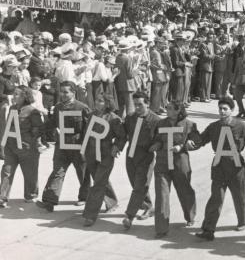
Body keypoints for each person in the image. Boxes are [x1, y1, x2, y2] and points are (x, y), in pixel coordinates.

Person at [196, 97, 245, 241]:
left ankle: (242, 221)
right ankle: (208, 230)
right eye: (220, 108)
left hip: (236, 166)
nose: (222, 111)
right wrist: (191, 142)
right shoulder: (213, 127)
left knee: (240, 195)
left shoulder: (241, 126)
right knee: (216, 198)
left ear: (232, 110)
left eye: (225, 109)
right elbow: (201, 140)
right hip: (218, 165)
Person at [37, 81, 92, 212]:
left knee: (83, 173)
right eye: (61, 92)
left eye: (66, 92)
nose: (63, 94)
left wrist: (86, 146)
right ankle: (50, 201)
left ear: (73, 92)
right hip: (62, 145)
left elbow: (88, 129)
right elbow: (52, 123)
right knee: (58, 172)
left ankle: (85, 197)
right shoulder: (58, 107)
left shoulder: (82, 108)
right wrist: (38, 130)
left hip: (78, 145)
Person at [149, 101, 201, 238]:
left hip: (180, 162)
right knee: (161, 195)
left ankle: (190, 216)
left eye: (170, 108)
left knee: (184, 190)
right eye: (166, 107)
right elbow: (157, 139)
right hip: (162, 162)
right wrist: (157, 144)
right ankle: (161, 228)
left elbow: (197, 140)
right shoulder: (160, 123)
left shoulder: (189, 124)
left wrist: (186, 145)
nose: (167, 110)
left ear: (178, 110)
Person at [81, 95, 125, 227]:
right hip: (91, 153)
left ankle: (90, 215)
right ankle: (112, 202)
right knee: (100, 180)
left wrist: (117, 147)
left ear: (107, 104)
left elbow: (122, 137)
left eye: (100, 101)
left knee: (98, 184)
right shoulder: (91, 115)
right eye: (96, 100)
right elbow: (86, 134)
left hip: (106, 154)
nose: (96, 103)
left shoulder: (114, 118)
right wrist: (83, 150)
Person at [0, 86, 45, 207]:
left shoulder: (32, 111)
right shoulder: (12, 108)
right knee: (6, 171)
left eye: (17, 94)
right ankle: (2, 197)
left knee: (30, 173)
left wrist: (31, 142)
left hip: (27, 148)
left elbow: (39, 129)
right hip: (11, 146)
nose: (14, 96)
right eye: (14, 94)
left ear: (25, 96)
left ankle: (31, 195)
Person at [122, 92, 161, 229]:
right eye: (135, 104)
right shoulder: (130, 118)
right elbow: (123, 134)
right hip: (131, 154)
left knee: (140, 186)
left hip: (146, 155)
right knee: (137, 185)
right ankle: (149, 207)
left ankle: (129, 216)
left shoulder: (156, 120)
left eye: (140, 104)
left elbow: (160, 138)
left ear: (147, 104)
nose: (137, 107)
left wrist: (157, 144)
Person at [195, 31, 215, 102]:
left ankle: (207, 96)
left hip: (210, 66)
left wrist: (213, 56)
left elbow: (212, 54)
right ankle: (203, 97)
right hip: (205, 65)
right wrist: (213, 56)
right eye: (209, 37)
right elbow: (204, 55)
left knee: (208, 83)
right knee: (204, 83)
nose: (210, 38)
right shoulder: (203, 44)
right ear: (207, 37)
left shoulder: (211, 44)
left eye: (212, 37)